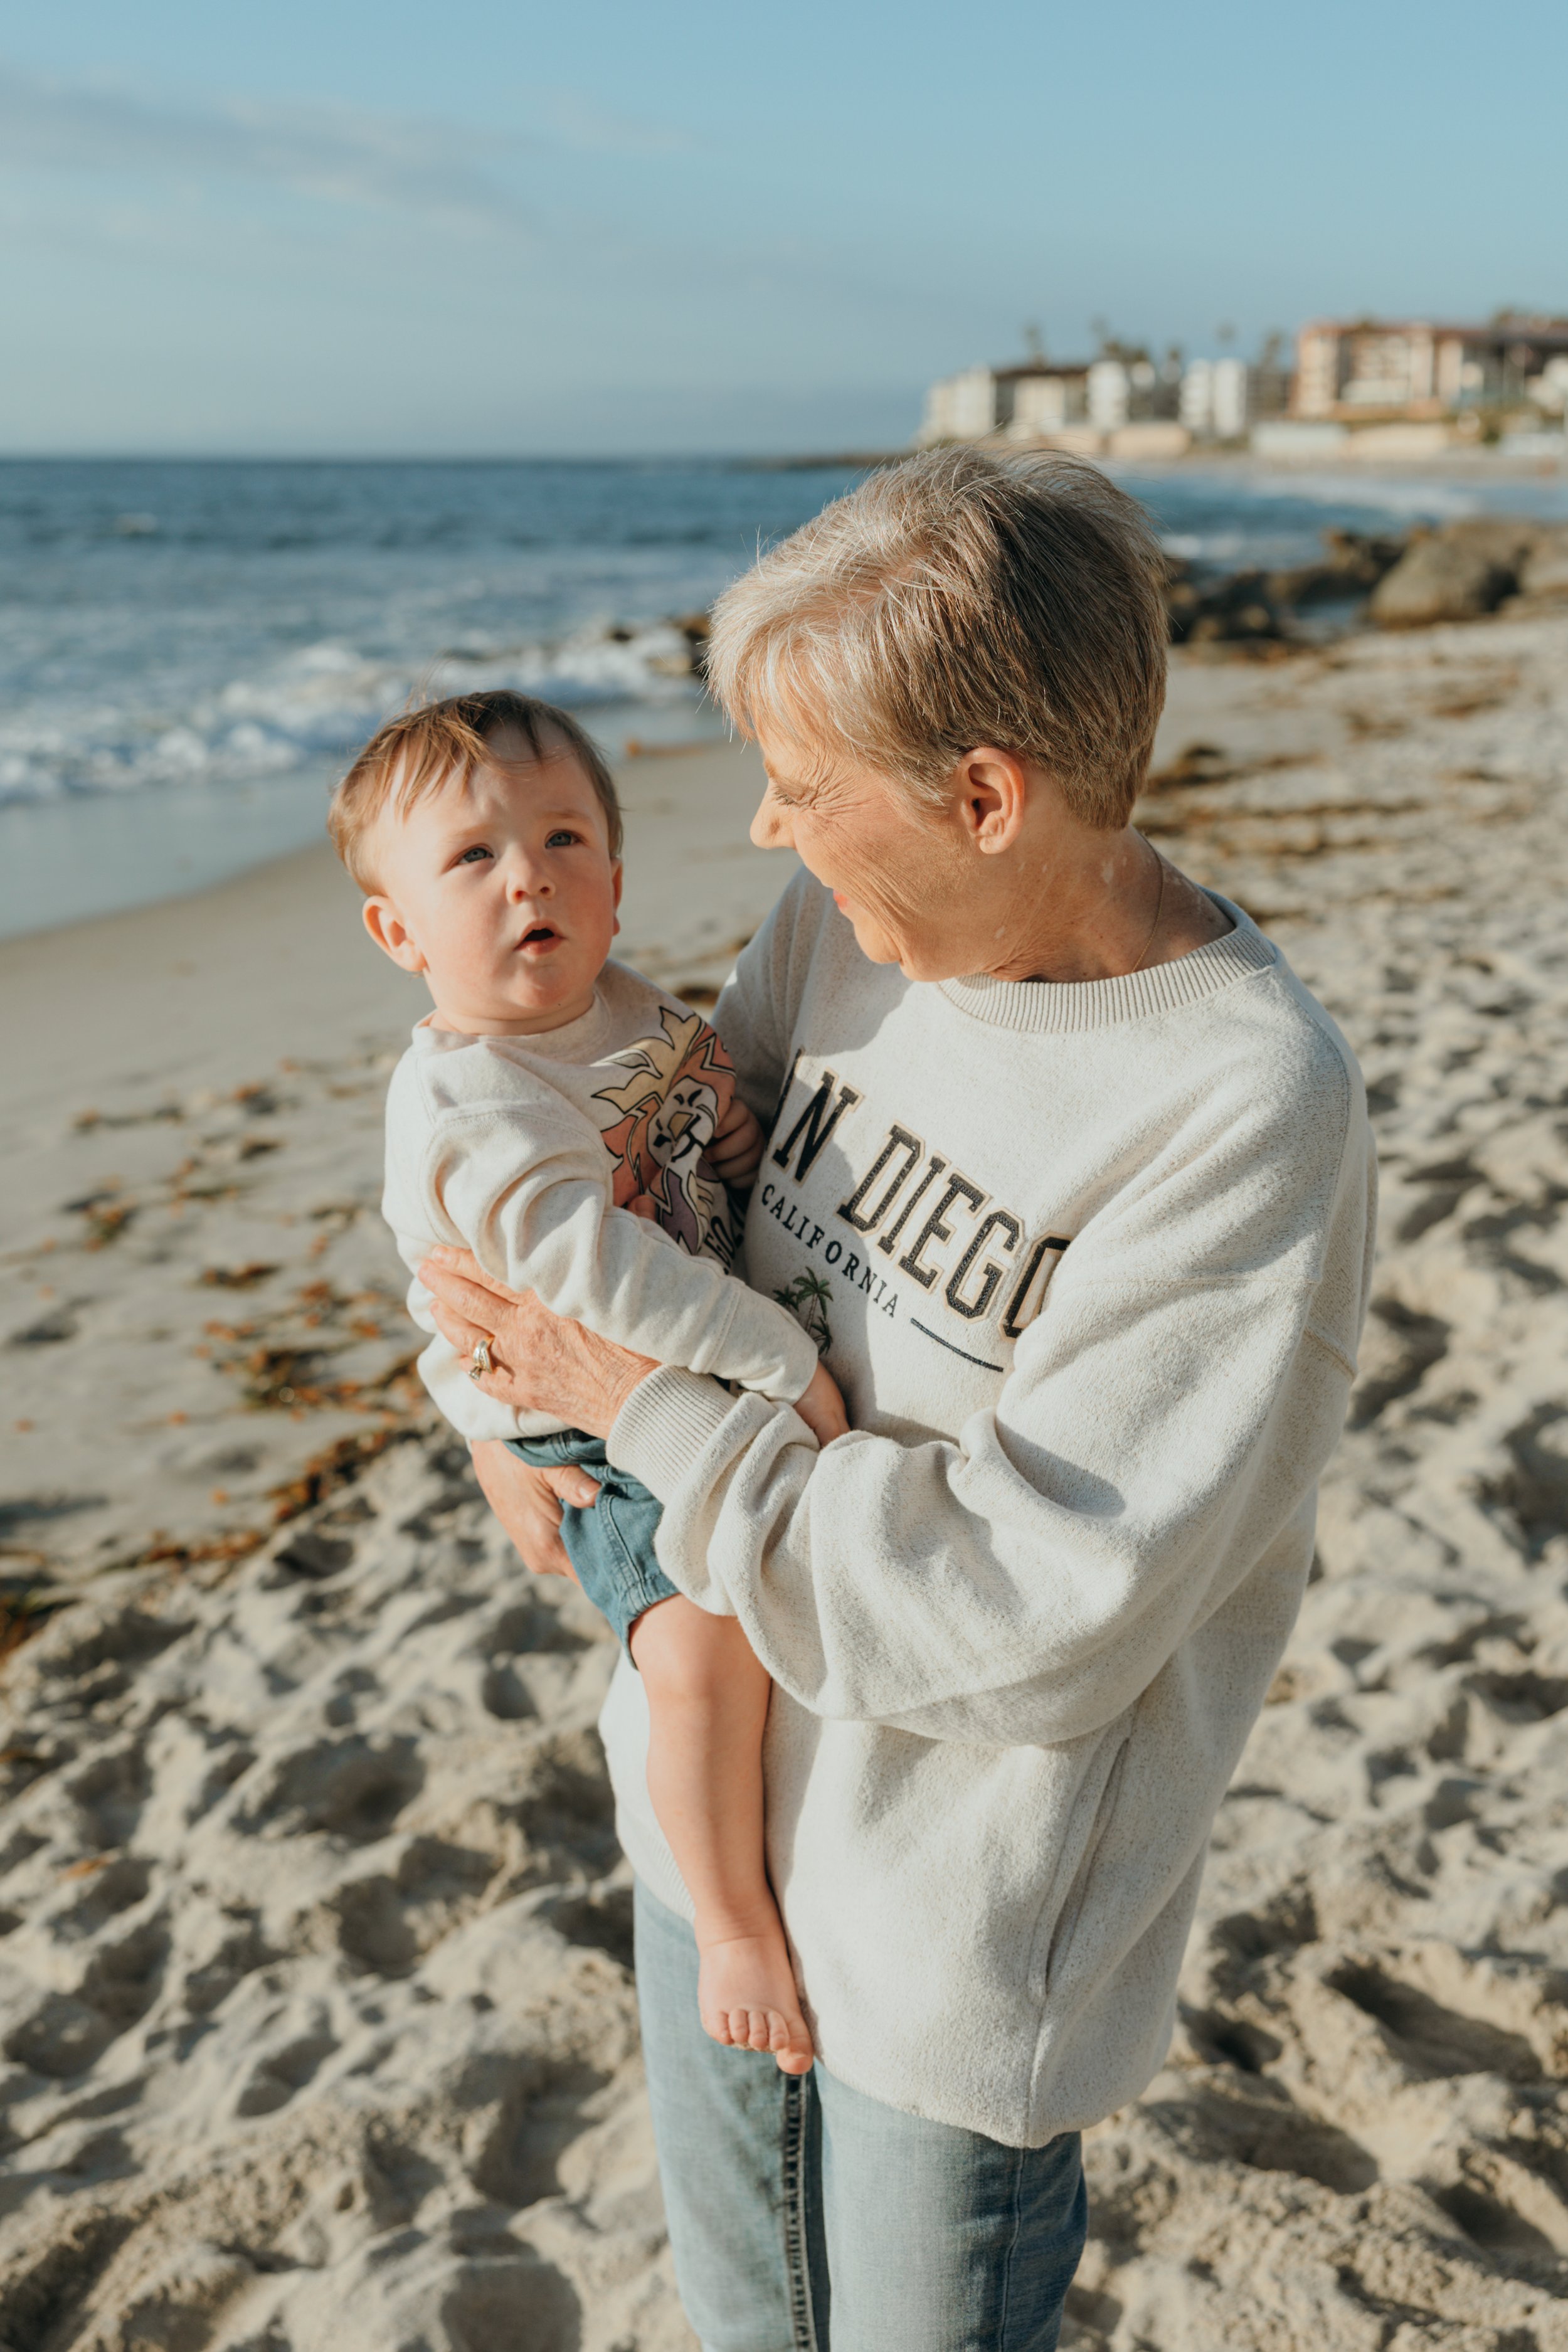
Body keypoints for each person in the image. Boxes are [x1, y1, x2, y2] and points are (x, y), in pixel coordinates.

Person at [420, 450, 1377, 2352]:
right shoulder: (849, 941)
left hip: (939, 1944)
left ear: (985, 794)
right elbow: (634, 1201)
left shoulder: (1237, 1106)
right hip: (704, 1845)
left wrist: (647, 1416)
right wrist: (479, 1369)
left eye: (802, 780)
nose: (767, 828)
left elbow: (1032, 1620)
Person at [330, 688, 848, 2075]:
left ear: (614, 881)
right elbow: (606, 1287)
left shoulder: (622, 1010)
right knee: (695, 1646)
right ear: (399, 932)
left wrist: (731, 1131)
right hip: (585, 1410)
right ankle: (733, 1925)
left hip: (673, 1357)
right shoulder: (474, 1109)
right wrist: (778, 1362)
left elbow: (688, 1112)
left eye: (564, 838)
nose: (528, 876)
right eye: (472, 858)